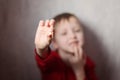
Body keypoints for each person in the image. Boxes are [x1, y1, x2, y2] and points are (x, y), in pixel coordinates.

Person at [34, 13, 98, 80]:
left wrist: (79, 70)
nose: (72, 36)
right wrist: (41, 49)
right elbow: (43, 59)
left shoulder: (87, 63)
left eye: (77, 30)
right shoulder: (51, 60)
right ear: (55, 43)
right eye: (64, 33)